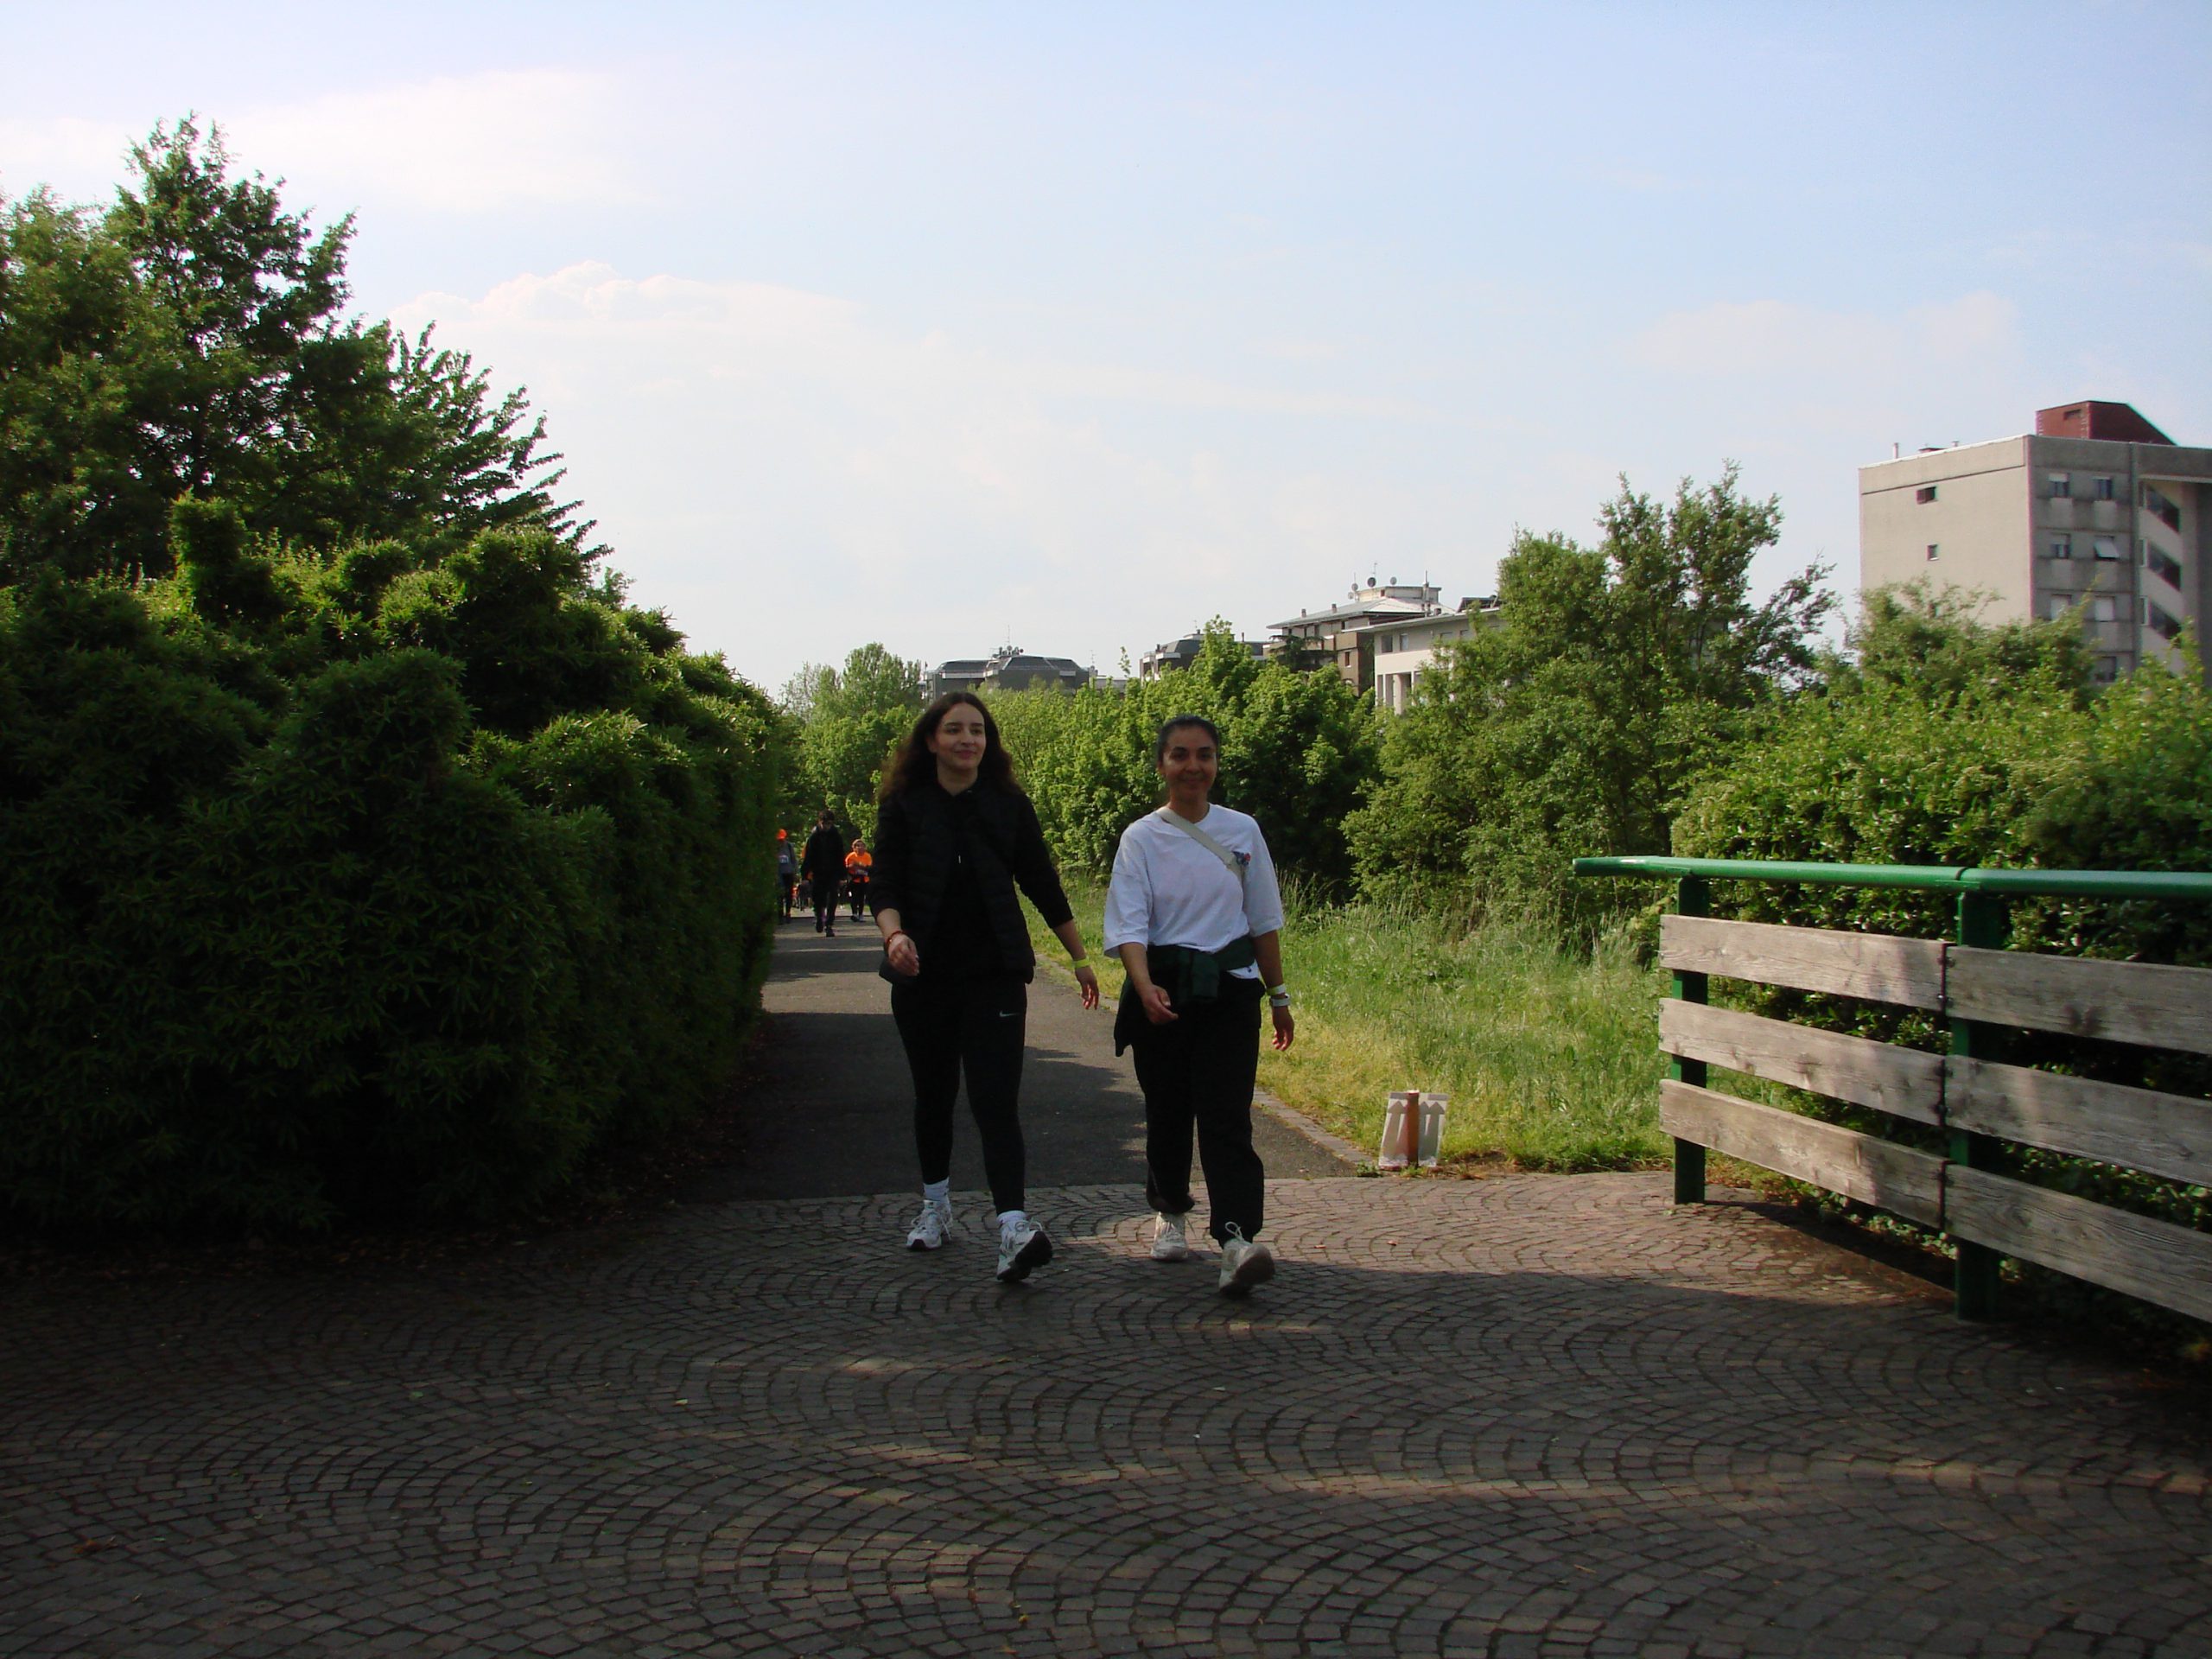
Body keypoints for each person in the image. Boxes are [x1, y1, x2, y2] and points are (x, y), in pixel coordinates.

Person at [871, 691, 1100, 1282]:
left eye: (977, 730)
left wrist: (1079, 958)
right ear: (932, 740)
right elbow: (884, 885)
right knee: (934, 1095)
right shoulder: (904, 805)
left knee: (996, 1100)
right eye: (955, 729)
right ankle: (935, 1206)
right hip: (922, 977)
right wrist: (895, 937)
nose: (967, 739)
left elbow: (1042, 883)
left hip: (995, 975)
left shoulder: (1008, 804)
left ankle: (1013, 1226)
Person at [1103, 715, 1294, 1296]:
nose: (1193, 766)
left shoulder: (1242, 831)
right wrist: (1143, 986)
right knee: (1168, 1109)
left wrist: (1279, 996)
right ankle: (1170, 1209)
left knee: (1227, 1115)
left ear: (1216, 763)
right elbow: (1129, 924)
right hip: (1163, 990)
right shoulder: (1141, 837)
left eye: (1204, 755)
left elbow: (1263, 919)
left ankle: (1236, 1238)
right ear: (1162, 764)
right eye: (1180, 755)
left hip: (1230, 991)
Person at [801, 810, 845, 936]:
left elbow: (840, 856)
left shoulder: (836, 836)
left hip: (833, 871)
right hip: (818, 871)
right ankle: (819, 916)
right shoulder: (814, 837)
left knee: (833, 897)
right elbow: (808, 857)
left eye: (829, 824)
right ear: (819, 822)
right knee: (818, 897)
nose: (826, 826)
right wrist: (805, 875)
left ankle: (829, 924)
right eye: (824, 823)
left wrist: (842, 876)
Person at [843, 836, 873, 920]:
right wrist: (853, 866)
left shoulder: (867, 856)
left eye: (861, 845)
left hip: (865, 879)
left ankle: (861, 914)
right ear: (854, 848)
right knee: (854, 897)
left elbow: (869, 867)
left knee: (862, 897)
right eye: (857, 846)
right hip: (854, 879)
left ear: (864, 847)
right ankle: (854, 913)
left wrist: (858, 865)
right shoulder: (851, 856)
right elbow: (846, 867)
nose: (860, 847)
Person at [775, 830, 799, 921]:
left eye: (782, 839)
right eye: (779, 840)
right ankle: (780, 914)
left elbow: (794, 860)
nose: (780, 841)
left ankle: (788, 912)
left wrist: (796, 872)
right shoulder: (774, 848)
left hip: (789, 873)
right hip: (778, 873)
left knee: (789, 893)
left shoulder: (789, 846)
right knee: (779, 894)